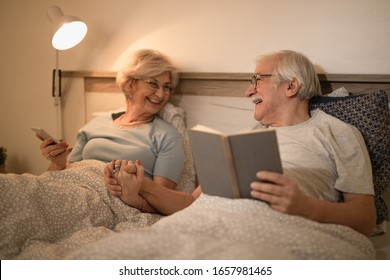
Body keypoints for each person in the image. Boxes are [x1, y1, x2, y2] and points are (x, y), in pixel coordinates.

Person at [104, 50, 376, 237]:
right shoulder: (244, 139)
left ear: (291, 86)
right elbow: (190, 203)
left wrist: (306, 208)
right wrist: (143, 189)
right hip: (211, 224)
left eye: (257, 80)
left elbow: (365, 220)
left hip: (279, 228)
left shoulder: (338, 133)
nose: (248, 91)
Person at [37, 49, 185, 191]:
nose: (160, 94)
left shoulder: (167, 136)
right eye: (153, 83)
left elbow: (162, 197)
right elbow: (58, 174)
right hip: (70, 188)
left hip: (109, 201)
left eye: (167, 87)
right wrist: (57, 161)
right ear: (129, 84)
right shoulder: (96, 123)